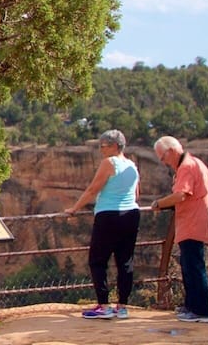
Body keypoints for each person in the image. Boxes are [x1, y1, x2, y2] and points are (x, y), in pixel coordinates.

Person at [63, 130, 141, 320]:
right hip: (131, 214)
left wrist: (74, 208)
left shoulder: (109, 163)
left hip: (108, 215)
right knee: (125, 261)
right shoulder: (132, 165)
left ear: (114, 146)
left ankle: (104, 305)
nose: (100, 150)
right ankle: (122, 306)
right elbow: (137, 194)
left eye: (103, 146)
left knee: (98, 260)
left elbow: (92, 189)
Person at [151, 136, 208, 323]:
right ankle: (191, 306)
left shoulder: (186, 167)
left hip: (193, 222)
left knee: (194, 267)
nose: (164, 163)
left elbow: (180, 195)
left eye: (163, 158)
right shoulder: (195, 162)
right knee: (189, 266)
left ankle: (200, 311)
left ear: (171, 151)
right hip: (196, 220)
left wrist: (159, 203)